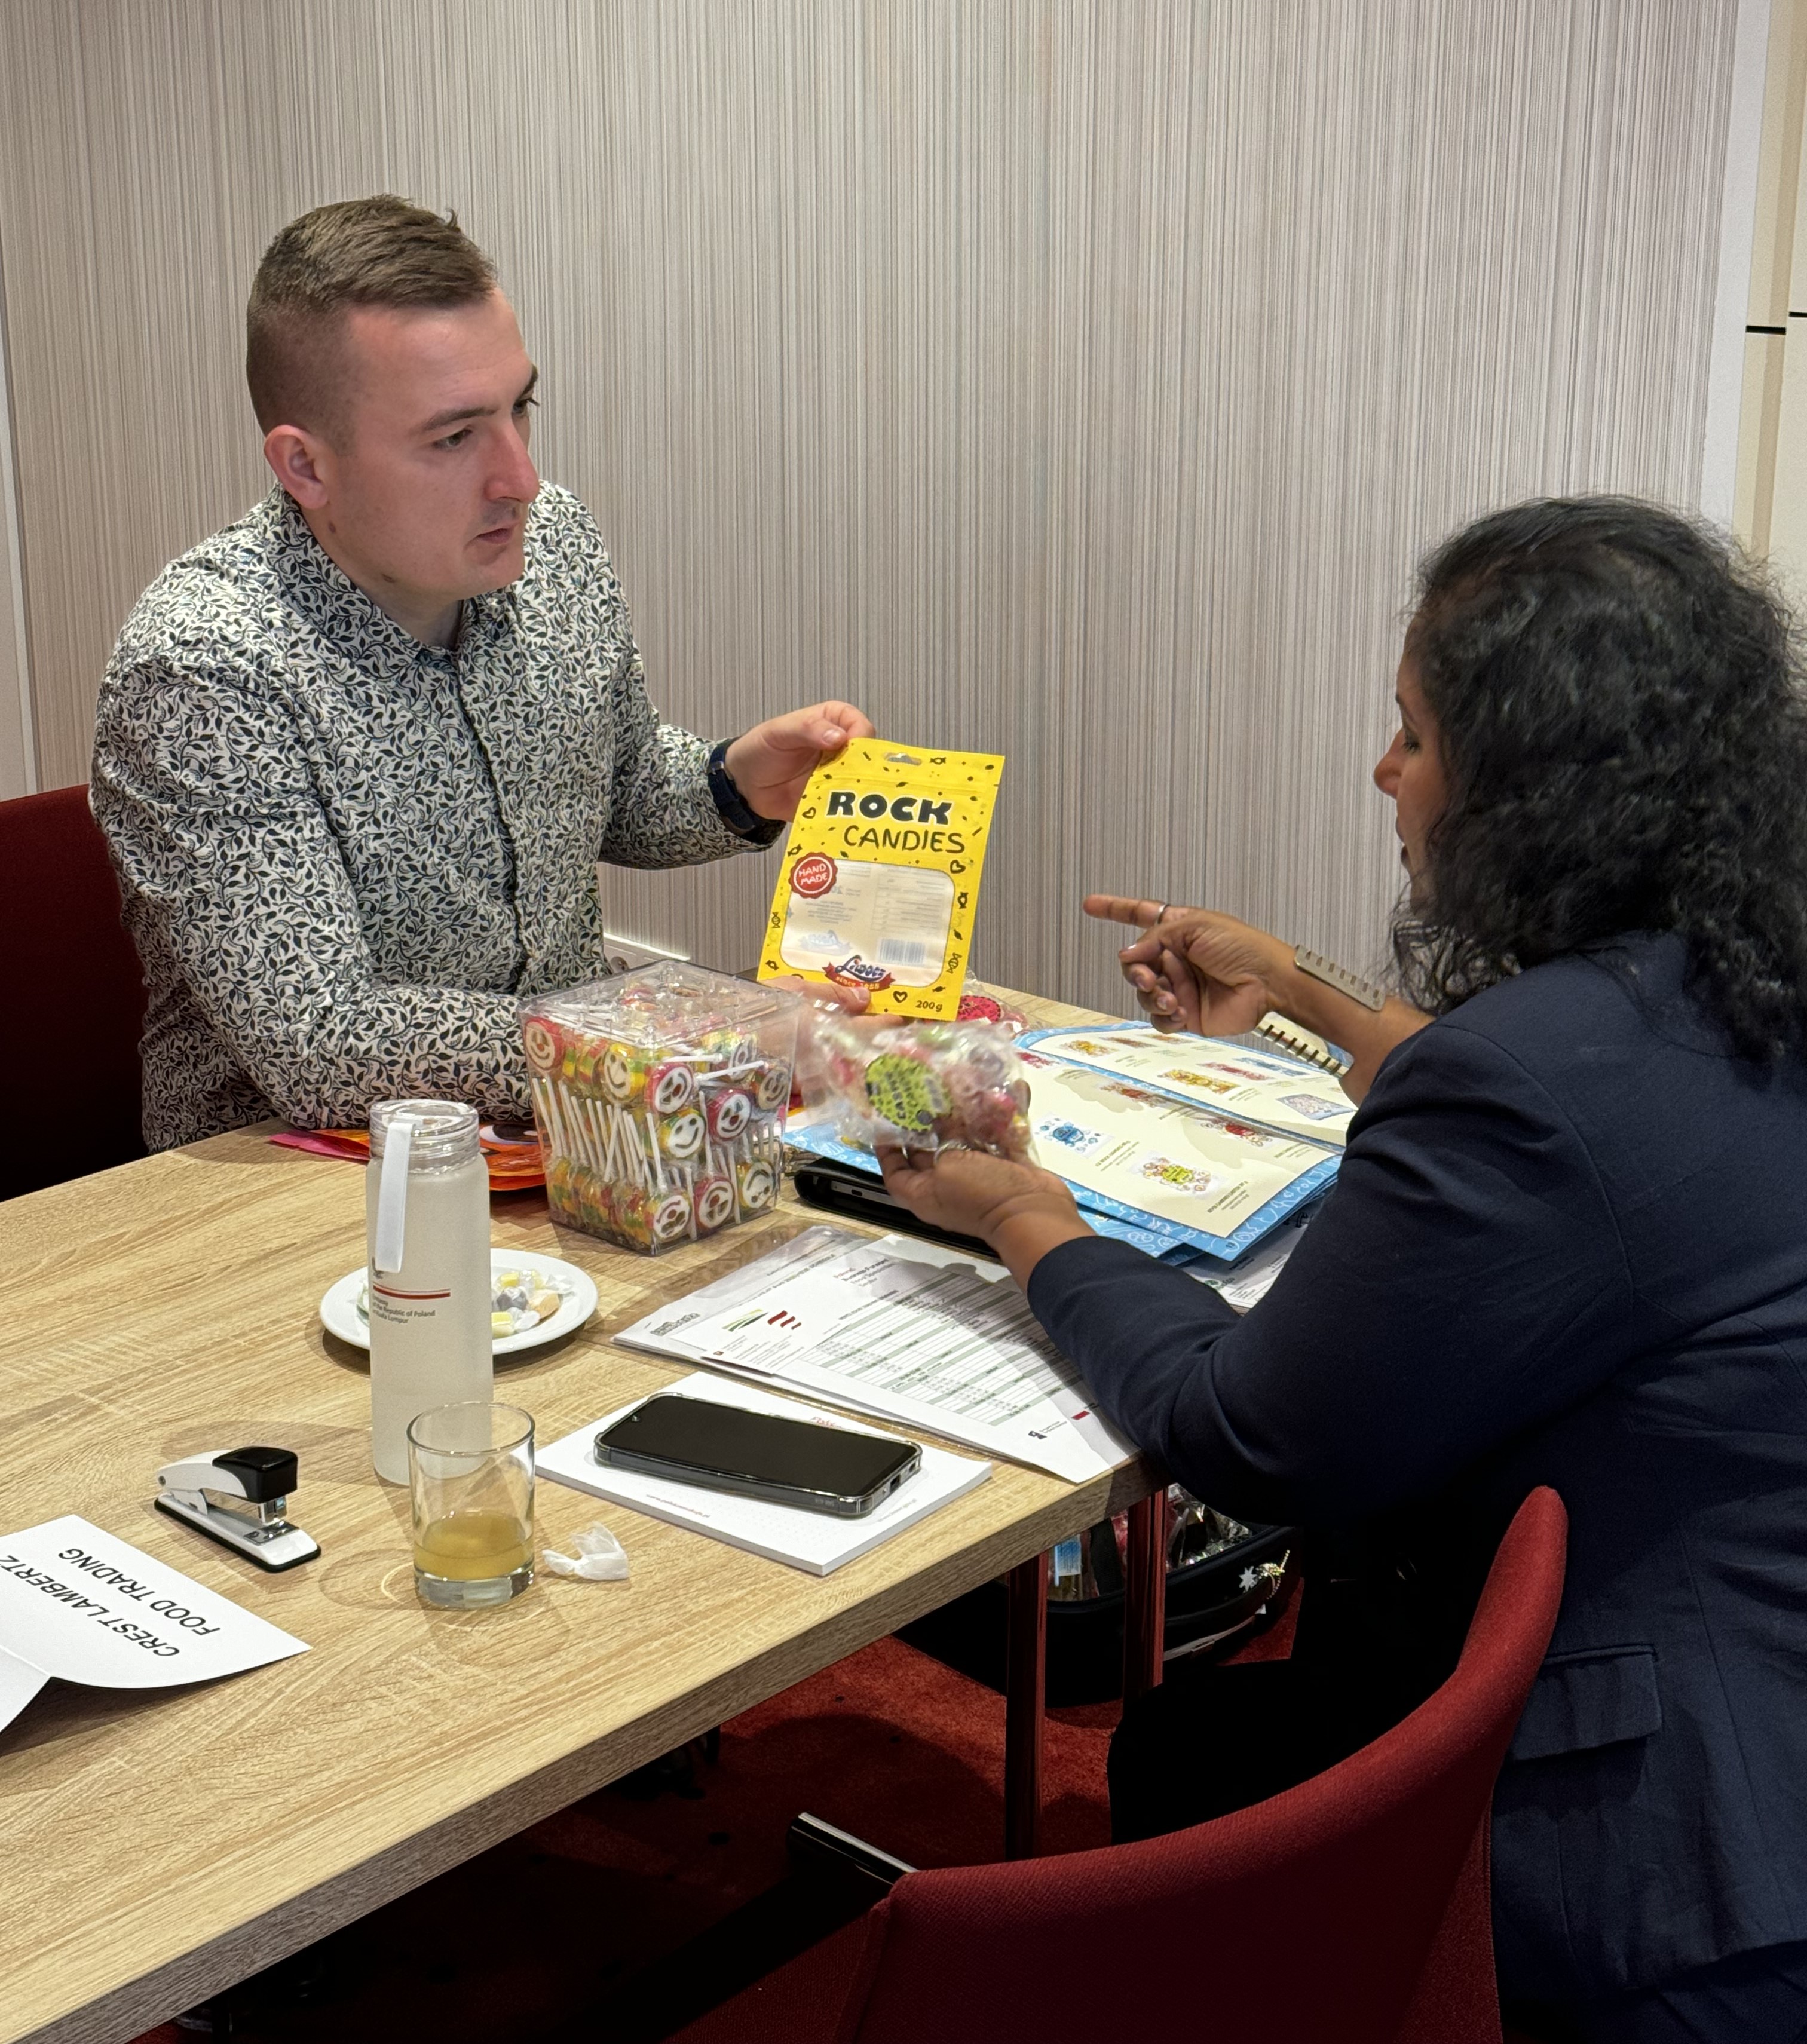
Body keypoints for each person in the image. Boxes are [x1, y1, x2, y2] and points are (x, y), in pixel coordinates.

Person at [880, 498, 1807, 2043]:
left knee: (1195, 1750)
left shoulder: (1529, 1080)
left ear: (1536, 794)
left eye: (1414, 735)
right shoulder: (1740, 971)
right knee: (1205, 1739)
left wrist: (1025, 1216)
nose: (1385, 770)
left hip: (1677, 1873)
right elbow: (1579, 1117)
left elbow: (1248, 1430)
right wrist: (1302, 987)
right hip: (1765, 1684)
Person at [91, 195, 872, 1149]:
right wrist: (693, 1042)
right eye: (455, 437)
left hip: (582, 1132)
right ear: (306, 467)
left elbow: (611, 791)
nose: (521, 480)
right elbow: (323, 1042)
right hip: (305, 1174)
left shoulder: (553, 547)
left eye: (520, 409)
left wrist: (733, 783)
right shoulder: (204, 667)